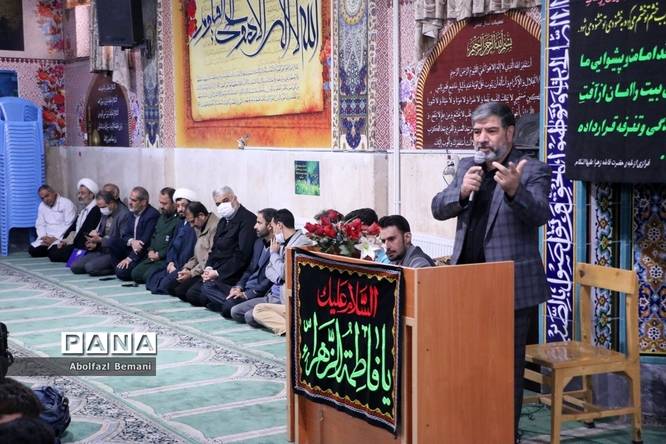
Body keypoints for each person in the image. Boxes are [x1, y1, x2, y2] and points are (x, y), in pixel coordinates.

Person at [431, 102, 551, 439]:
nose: (482, 138)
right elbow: (438, 207)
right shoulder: (467, 166)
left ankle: (503, 434)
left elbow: (540, 214)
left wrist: (514, 190)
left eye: (491, 130)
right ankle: (471, 428)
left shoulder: (531, 169)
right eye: (477, 131)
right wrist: (461, 192)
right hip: (465, 284)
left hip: (509, 288)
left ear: (509, 133)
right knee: (467, 362)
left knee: (505, 369)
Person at [184, 187, 256, 306]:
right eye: (218, 204)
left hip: (232, 274)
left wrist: (218, 273)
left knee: (204, 294)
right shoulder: (223, 221)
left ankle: (232, 304)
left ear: (234, 198)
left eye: (225, 200)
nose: (222, 205)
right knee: (191, 294)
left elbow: (242, 255)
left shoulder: (248, 220)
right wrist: (208, 268)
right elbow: (214, 249)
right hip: (215, 271)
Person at [252, 209, 312, 334]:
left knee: (256, 312)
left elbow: (285, 272)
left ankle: (293, 331)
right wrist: (280, 278)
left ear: (279, 225)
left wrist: (274, 255)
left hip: (292, 301)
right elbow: (269, 269)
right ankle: (293, 329)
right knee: (251, 313)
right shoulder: (280, 242)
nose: (272, 231)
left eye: (273, 227)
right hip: (279, 293)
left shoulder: (302, 243)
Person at [212, 208, 277, 320]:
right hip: (245, 288)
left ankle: (232, 303)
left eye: (259, 223)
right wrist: (238, 287)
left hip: (257, 292)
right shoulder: (258, 243)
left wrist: (247, 294)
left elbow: (270, 280)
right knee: (208, 286)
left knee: (227, 308)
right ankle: (232, 300)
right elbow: (249, 270)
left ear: (270, 226)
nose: (255, 226)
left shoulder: (278, 247)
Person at [145, 188, 198, 293]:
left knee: (164, 285)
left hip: (184, 266)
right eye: (178, 206)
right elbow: (172, 245)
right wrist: (170, 262)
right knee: (151, 277)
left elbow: (189, 252)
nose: (180, 209)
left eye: (183, 205)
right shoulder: (180, 222)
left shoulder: (193, 226)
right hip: (174, 263)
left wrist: (176, 266)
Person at [123, 187, 179, 284]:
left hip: (164, 258)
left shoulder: (177, 221)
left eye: (165, 204)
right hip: (152, 256)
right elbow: (153, 237)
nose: (161, 206)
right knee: (136, 274)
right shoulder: (162, 217)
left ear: (174, 204)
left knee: (147, 276)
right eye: (160, 203)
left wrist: (160, 255)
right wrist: (151, 250)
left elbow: (174, 244)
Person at [69, 190, 131, 275]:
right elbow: (102, 232)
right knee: (75, 267)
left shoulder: (124, 215)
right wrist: (94, 242)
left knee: (90, 268)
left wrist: (101, 240)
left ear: (111, 203)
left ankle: (115, 269)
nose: (101, 210)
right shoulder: (105, 212)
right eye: (99, 207)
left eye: (103, 207)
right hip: (102, 250)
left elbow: (123, 241)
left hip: (115, 253)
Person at [170, 201, 219, 298]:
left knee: (186, 293)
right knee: (171, 286)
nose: (191, 226)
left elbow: (209, 258)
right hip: (198, 269)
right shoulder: (199, 226)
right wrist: (187, 268)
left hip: (207, 271)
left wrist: (191, 273)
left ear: (201, 215)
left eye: (192, 221)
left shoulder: (214, 227)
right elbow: (196, 256)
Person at [47, 178, 102, 263]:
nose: (79, 196)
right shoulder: (84, 210)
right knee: (53, 249)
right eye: (78, 193)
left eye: (82, 193)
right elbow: (74, 228)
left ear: (91, 195)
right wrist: (65, 241)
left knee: (54, 252)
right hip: (77, 243)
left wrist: (70, 244)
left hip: (85, 246)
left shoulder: (95, 210)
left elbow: (85, 233)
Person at [114, 186, 160, 281]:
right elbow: (125, 235)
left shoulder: (152, 215)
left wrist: (129, 258)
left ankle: (125, 266)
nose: (130, 203)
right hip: (131, 249)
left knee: (121, 272)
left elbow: (144, 242)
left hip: (143, 253)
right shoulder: (131, 213)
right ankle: (119, 265)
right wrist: (132, 241)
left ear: (143, 202)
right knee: (112, 242)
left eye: (134, 200)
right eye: (130, 199)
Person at [29, 185, 77, 257]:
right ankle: (50, 248)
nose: (45, 200)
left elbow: (69, 225)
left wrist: (55, 239)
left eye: (47, 196)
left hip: (61, 237)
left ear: (54, 193)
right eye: (42, 198)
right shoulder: (42, 206)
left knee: (55, 252)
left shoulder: (66, 203)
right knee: (33, 250)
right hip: (47, 237)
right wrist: (43, 237)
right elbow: (40, 224)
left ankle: (52, 248)